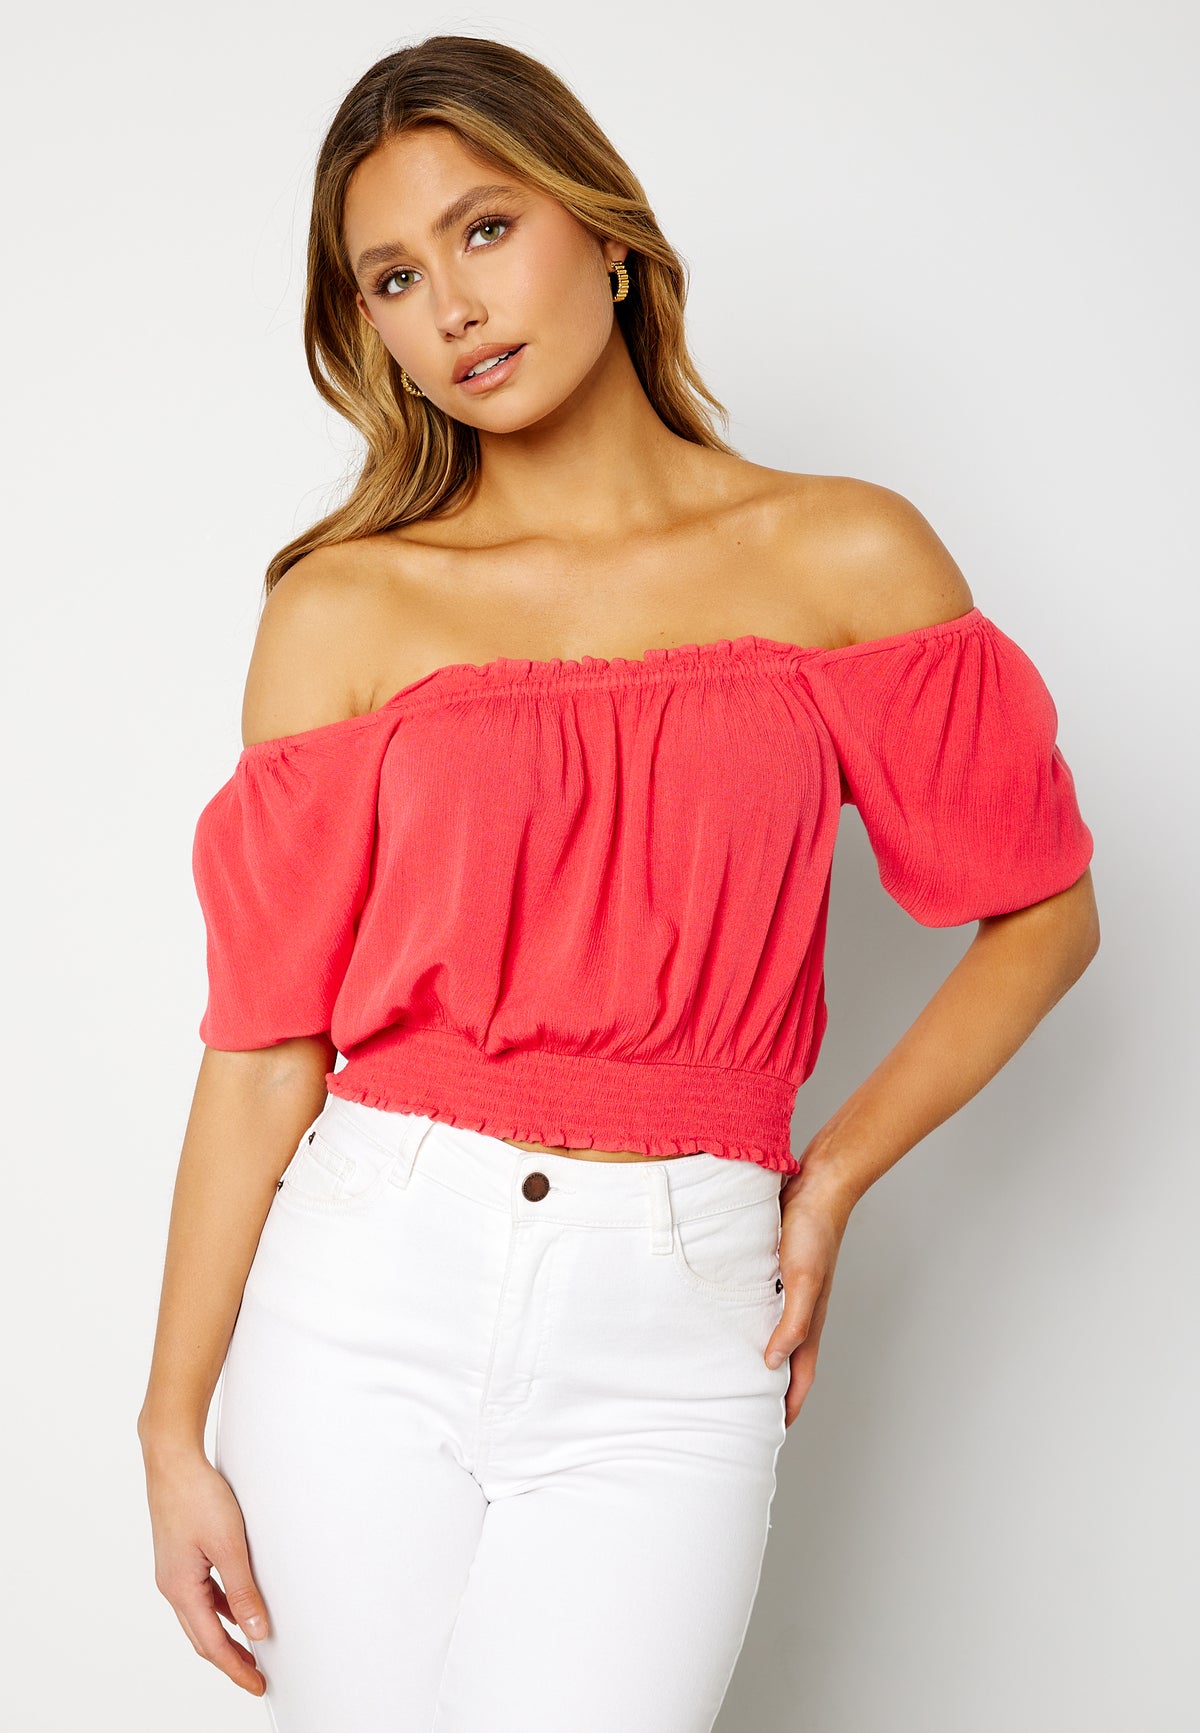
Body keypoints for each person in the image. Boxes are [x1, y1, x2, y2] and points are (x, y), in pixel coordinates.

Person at [137, 32, 1100, 1733]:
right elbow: (267, 1045)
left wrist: (832, 1175)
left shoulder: (841, 552)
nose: (453, 305)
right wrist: (170, 1422)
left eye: (485, 228)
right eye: (393, 277)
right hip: (367, 1286)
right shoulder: (348, 608)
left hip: (681, 1307)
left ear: (605, 230)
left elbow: (1042, 910)